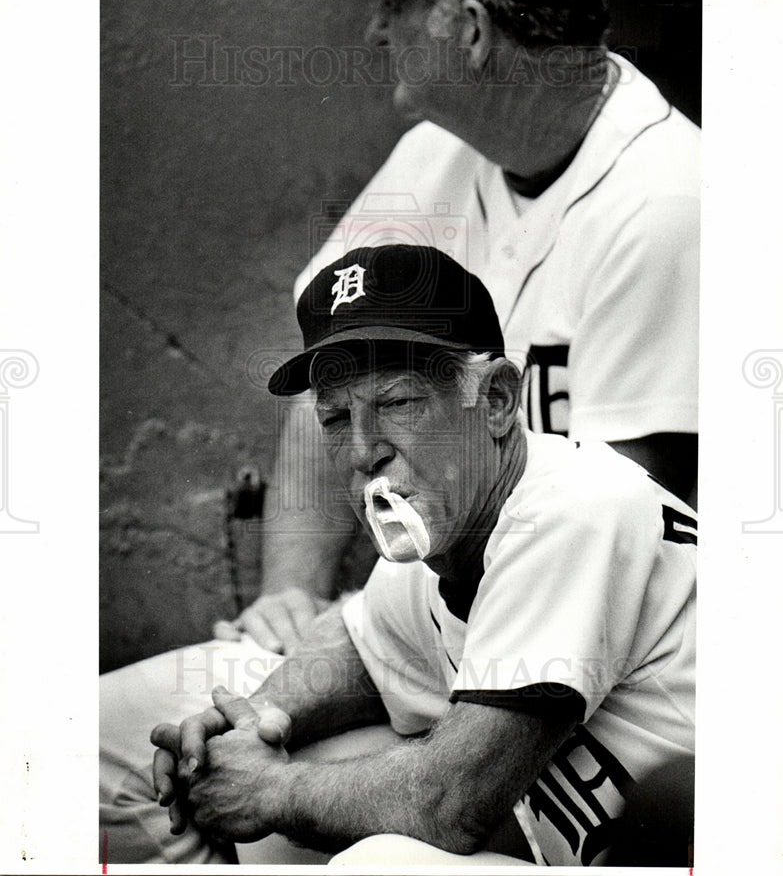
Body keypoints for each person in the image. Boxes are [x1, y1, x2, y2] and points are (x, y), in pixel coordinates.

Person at [225, 0, 700, 657]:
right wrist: (290, 597)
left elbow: (608, 537)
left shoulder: (670, 202)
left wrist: (352, 634)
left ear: (472, 30)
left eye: (393, 3)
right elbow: (335, 376)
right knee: (134, 727)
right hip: (411, 635)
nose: (374, 29)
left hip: (587, 674)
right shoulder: (434, 156)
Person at [143, 244, 696, 867]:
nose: (362, 452)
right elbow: (360, 646)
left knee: (379, 861)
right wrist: (256, 719)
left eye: (398, 404)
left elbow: (449, 803)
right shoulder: (447, 531)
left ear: (495, 401)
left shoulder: (572, 506)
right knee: (241, 774)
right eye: (335, 419)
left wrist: (273, 791)